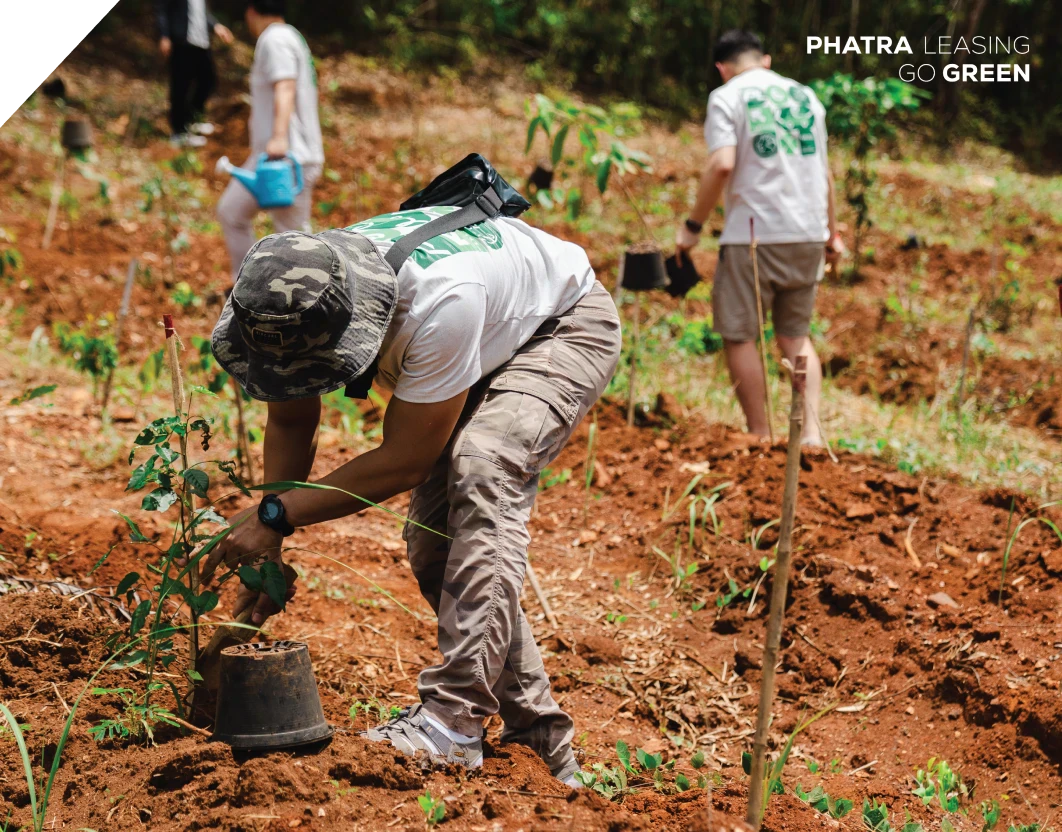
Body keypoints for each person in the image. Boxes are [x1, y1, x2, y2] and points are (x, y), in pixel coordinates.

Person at [200, 207, 621, 786]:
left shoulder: (438, 304)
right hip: (484, 335)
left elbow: (406, 459)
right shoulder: (288, 298)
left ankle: (452, 723)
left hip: (557, 325)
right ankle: (543, 746)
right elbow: (293, 421)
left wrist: (276, 514)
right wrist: (270, 540)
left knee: (484, 465)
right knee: (436, 550)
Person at [675, 30, 844, 445]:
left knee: (740, 334)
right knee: (794, 337)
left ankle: (760, 434)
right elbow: (824, 172)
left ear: (722, 68)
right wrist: (832, 232)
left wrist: (692, 227)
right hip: (808, 231)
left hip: (754, 233)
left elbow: (721, 165)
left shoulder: (728, 96)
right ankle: (812, 437)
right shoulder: (805, 96)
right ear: (765, 61)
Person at [217, 0, 323, 282]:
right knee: (232, 211)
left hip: (286, 159)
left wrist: (278, 138)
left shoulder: (274, 38)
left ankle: (307, 302)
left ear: (251, 10)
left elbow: (285, 85)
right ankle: (248, 289)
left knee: (294, 242)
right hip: (272, 158)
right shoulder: (289, 35)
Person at [156, 0, 234, 147]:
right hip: (181, 41)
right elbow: (162, 10)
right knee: (180, 86)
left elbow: (202, 14)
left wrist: (216, 26)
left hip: (202, 43)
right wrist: (164, 35)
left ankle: (193, 119)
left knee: (208, 80)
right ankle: (178, 132)